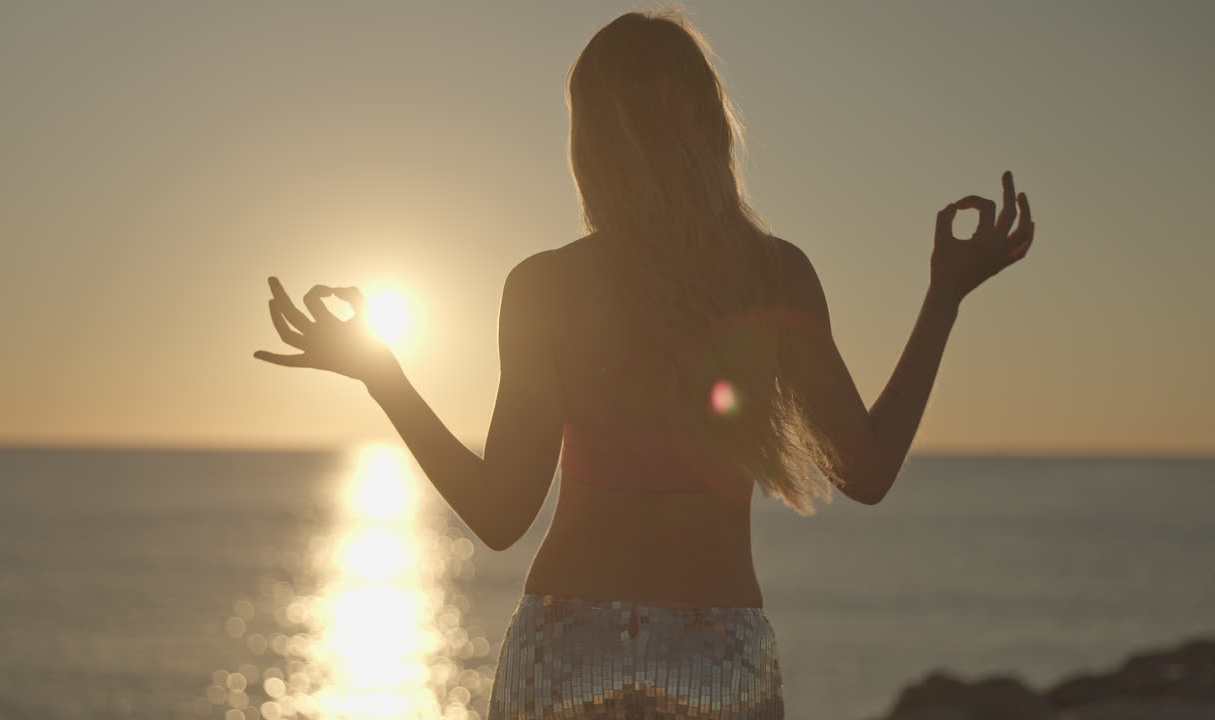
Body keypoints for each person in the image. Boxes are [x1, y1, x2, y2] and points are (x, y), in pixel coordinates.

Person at [254, 9, 1035, 719]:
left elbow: (499, 517)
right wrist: (943, 300)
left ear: (588, 141)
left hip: (563, 646)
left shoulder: (546, 285)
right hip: (717, 651)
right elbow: (864, 473)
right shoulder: (774, 275)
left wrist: (382, 374)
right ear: (709, 130)